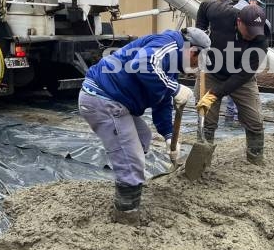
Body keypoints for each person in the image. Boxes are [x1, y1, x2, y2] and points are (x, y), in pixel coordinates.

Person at [78, 27, 210, 225]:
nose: (195, 67)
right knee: (131, 160)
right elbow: (142, 63)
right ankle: (126, 217)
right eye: (196, 61)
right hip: (102, 98)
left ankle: (130, 186)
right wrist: (174, 89)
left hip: (118, 101)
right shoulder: (169, 45)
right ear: (192, 51)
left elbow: (162, 101)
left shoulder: (172, 66)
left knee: (142, 139)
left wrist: (167, 135)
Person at [195, 2, 268, 165]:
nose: (251, 35)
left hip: (241, 78)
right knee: (206, 120)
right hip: (212, 72)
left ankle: (255, 159)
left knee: (255, 120)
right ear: (239, 21)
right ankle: (202, 163)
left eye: (255, 32)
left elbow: (243, 75)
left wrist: (215, 94)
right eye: (248, 30)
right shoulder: (222, 13)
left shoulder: (261, 39)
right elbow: (204, 6)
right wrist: (200, 34)